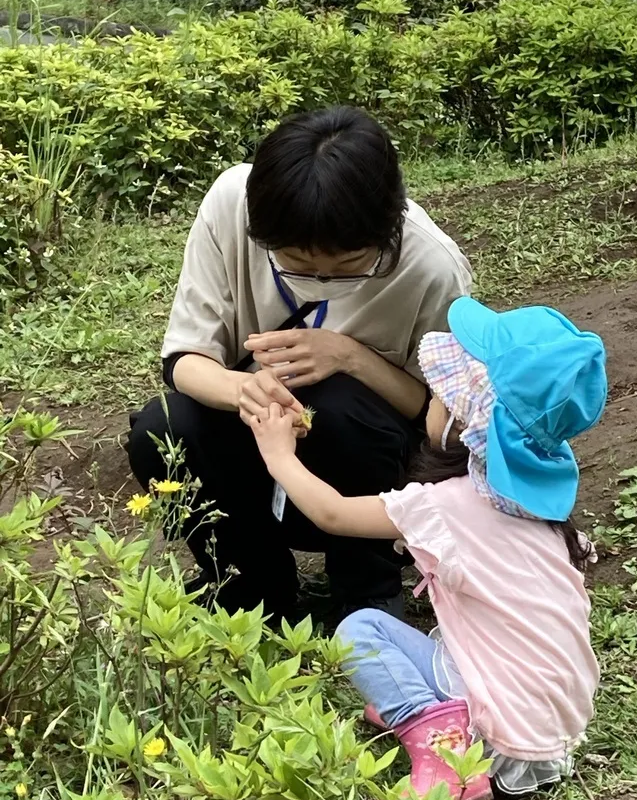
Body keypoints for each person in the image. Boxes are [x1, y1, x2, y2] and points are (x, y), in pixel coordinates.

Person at [250, 295, 607, 800]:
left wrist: (278, 453)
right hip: (557, 723)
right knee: (442, 636)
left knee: (362, 629)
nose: (430, 403)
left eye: (441, 394)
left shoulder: (447, 506)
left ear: (463, 423)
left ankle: (443, 748)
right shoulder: (538, 503)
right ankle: (444, 709)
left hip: (508, 736)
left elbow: (333, 514)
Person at [126, 106, 472, 623]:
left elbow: (444, 419)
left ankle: (367, 588)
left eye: (350, 266)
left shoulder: (432, 267)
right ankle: (251, 583)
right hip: (256, 464)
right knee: (163, 427)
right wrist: (242, 391)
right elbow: (184, 358)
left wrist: (352, 358)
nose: (321, 278)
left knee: (340, 402)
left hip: (373, 477)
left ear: (390, 223)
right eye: (297, 263)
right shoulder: (230, 206)